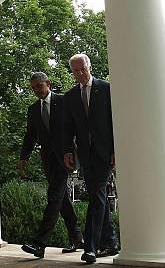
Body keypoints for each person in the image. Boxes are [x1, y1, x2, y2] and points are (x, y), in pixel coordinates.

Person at [20, 72, 84, 258]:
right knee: (61, 199)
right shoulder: (33, 110)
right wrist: (24, 157)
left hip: (66, 157)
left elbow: (76, 127)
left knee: (54, 196)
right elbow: (30, 135)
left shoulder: (64, 101)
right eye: (33, 88)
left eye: (39, 86)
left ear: (48, 83)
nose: (36, 90)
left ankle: (40, 243)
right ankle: (78, 239)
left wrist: (74, 152)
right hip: (48, 159)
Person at [63, 54, 117, 264]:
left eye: (82, 69)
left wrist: (115, 149)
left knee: (96, 196)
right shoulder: (70, 96)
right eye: (75, 71)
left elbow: (114, 121)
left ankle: (91, 247)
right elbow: (68, 128)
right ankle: (111, 243)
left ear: (90, 66)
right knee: (98, 196)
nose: (79, 74)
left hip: (105, 152)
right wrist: (69, 151)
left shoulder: (106, 89)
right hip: (85, 154)